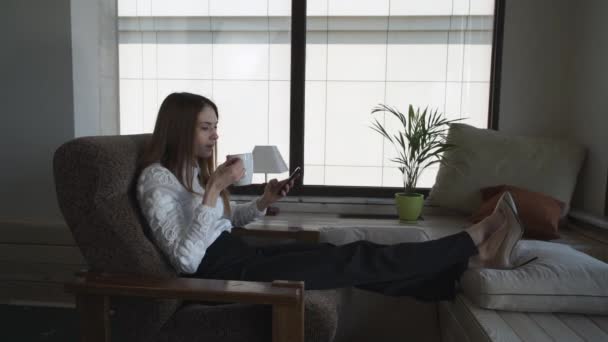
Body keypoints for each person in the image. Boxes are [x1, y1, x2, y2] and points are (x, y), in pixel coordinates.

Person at [136, 92, 527, 301]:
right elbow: (186, 261)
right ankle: (473, 241)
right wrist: (215, 189)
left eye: (216, 127)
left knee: (349, 255)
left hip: (241, 256)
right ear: (180, 128)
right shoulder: (155, 181)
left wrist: (260, 202)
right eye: (206, 128)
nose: (216, 136)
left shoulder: (189, 174)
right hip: (223, 277)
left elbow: (219, 227)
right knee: (354, 257)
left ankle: (455, 275)